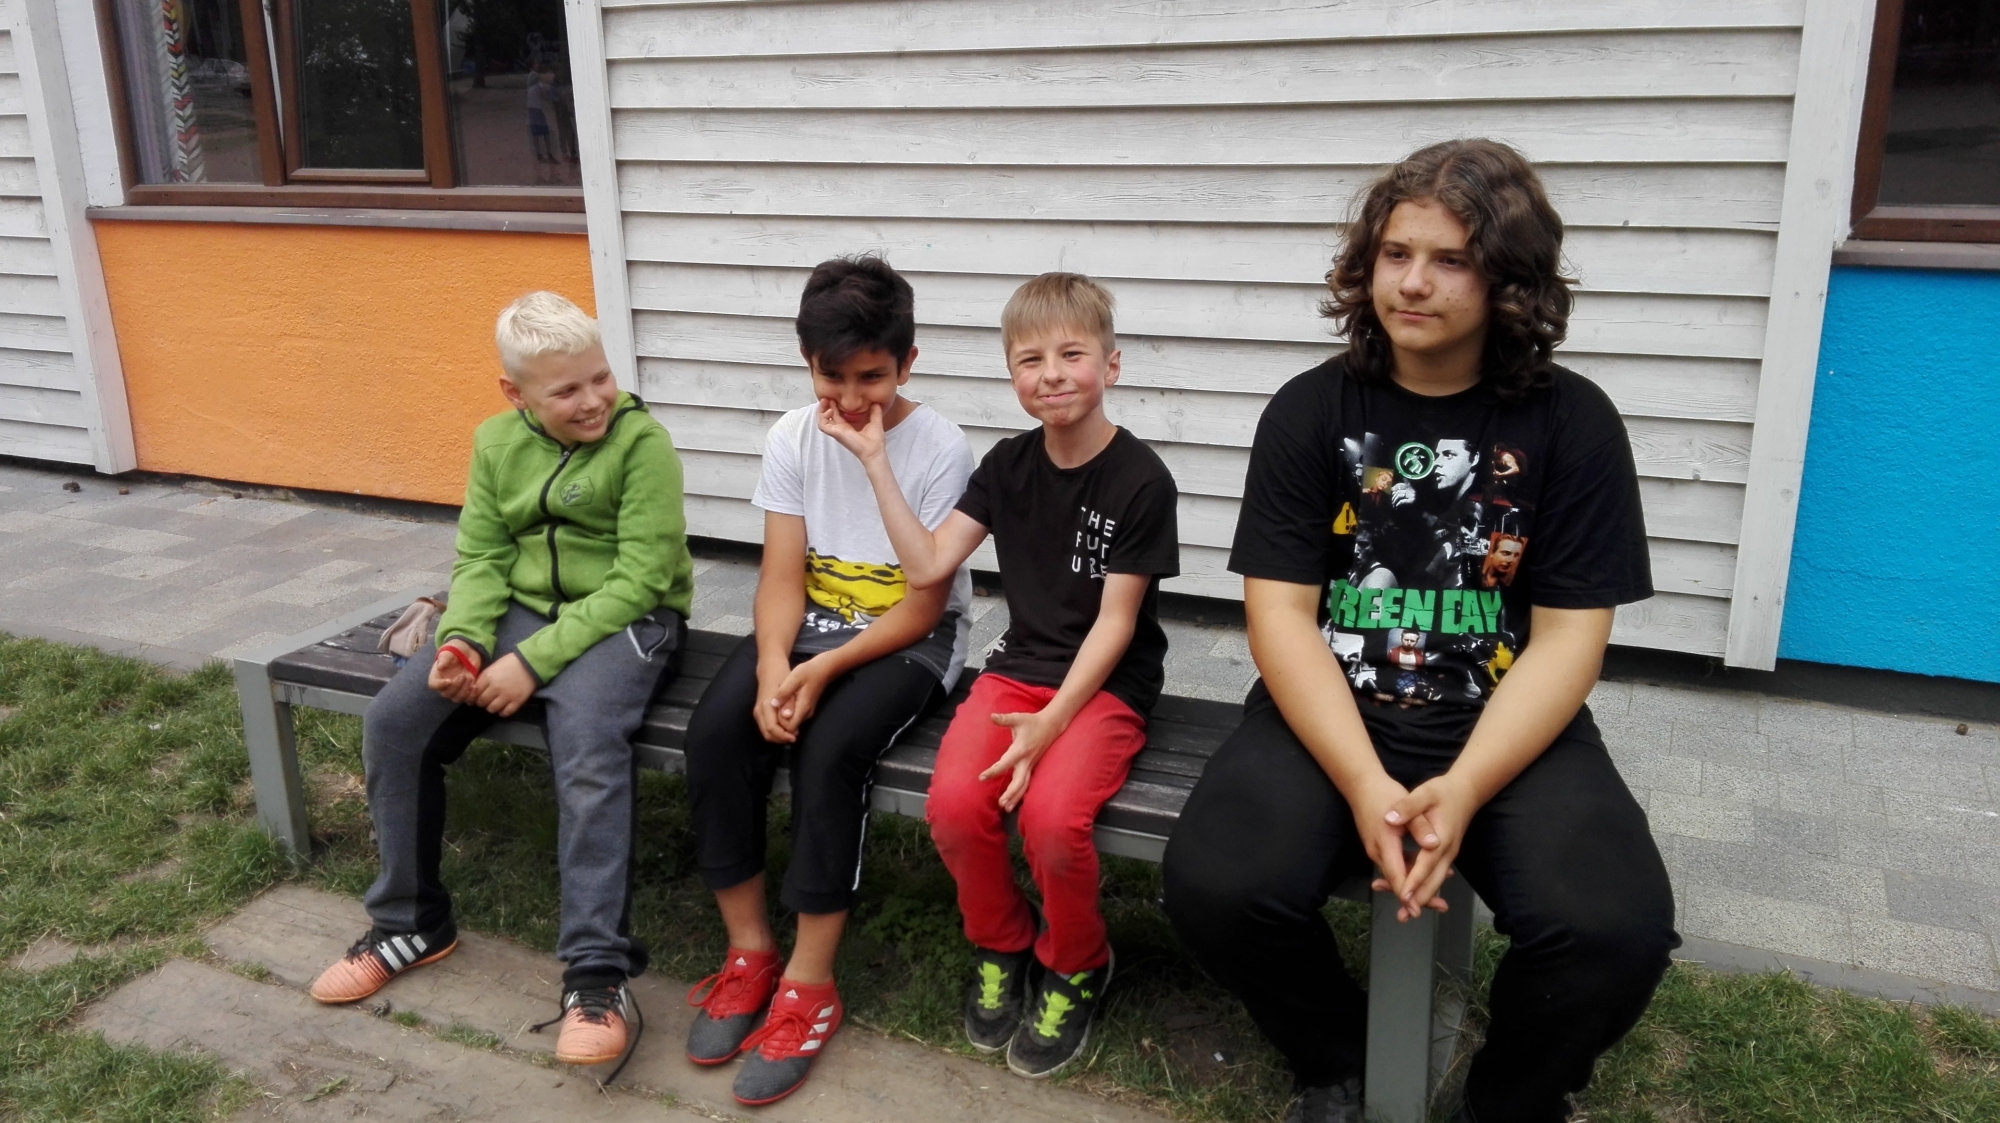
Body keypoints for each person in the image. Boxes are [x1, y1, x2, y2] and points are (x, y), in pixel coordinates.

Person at [1160, 139, 1677, 1123]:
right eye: (1396, 253)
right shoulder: (1310, 409)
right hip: (1333, 710)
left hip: (1502, 720)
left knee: (1614, 930)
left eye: (1451, 259)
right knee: (1214, 887)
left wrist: (1468, 782)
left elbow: (1569, 640)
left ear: (1509, 278)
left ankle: (1508, 1099)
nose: (1412, 282)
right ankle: (1332, 1058)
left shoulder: (1571, 422)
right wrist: (1363, 780)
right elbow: (1279, 617)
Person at [309, 291, 694, 1075]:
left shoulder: (643, 444)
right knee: (395, 722)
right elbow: (482, 558)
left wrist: (532, 662)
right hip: (519, 612)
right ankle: (409, 922)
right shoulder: (495, 443)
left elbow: (642, 577)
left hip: (626, 618)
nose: (593, 400)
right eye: (566, 389)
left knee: (586, 742)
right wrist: (463, 641)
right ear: (515, 394)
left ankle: (597, 973)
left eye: (600, 377)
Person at [819, 272, 1180, 1080]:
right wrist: (876, 461)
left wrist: (1052, 724)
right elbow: (928, 565)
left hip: (1104, 685)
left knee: (1053, 822)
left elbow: (1116, 624)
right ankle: (1002, 940)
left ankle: (1077, 959)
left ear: (1111, 364)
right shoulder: (1007, 465)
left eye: (1071, 354)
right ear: (1011, 374)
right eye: (1029, 359)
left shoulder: (1141, 480)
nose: (1051, 374)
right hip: (1018, 672)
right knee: (954, 807)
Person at [679, 255, 975, 1105]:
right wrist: (775, 666)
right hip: (810, 626)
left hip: (911, 640)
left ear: (907, 363)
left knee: (831, 748)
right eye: (832, 376)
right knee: (717, 730)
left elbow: (923, 603)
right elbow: (781, 575)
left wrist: (825, 669)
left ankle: (810, 985)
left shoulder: (940, 446)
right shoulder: (791, 437)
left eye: (871, 377)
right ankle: (750, 951)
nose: (850, 398)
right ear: (807, 362)